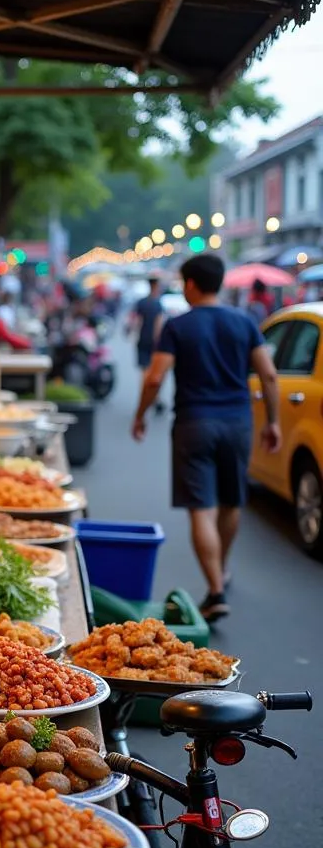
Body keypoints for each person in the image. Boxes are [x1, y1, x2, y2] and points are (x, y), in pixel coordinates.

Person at [132, 254, 280, 623]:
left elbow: (154, 378)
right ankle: (222, 570)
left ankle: (214, 589)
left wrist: (140, 415)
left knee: (203, 508)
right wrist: (272, 422)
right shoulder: (245, 321)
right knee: (232, 503)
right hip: (237, 423)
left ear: (192, 284)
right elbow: (269, 376)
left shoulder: (178, 326)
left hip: (194, 424)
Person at [133, 278, 166, 414]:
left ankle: (149, 398)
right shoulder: (157, 304)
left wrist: (135, 336)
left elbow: (137, 321)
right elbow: (158, 324)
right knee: (153, 372)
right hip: (153, 342)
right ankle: (152, 398)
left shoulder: (142, 302)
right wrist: (158, 340)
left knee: (145, 372)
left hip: (142, 339)